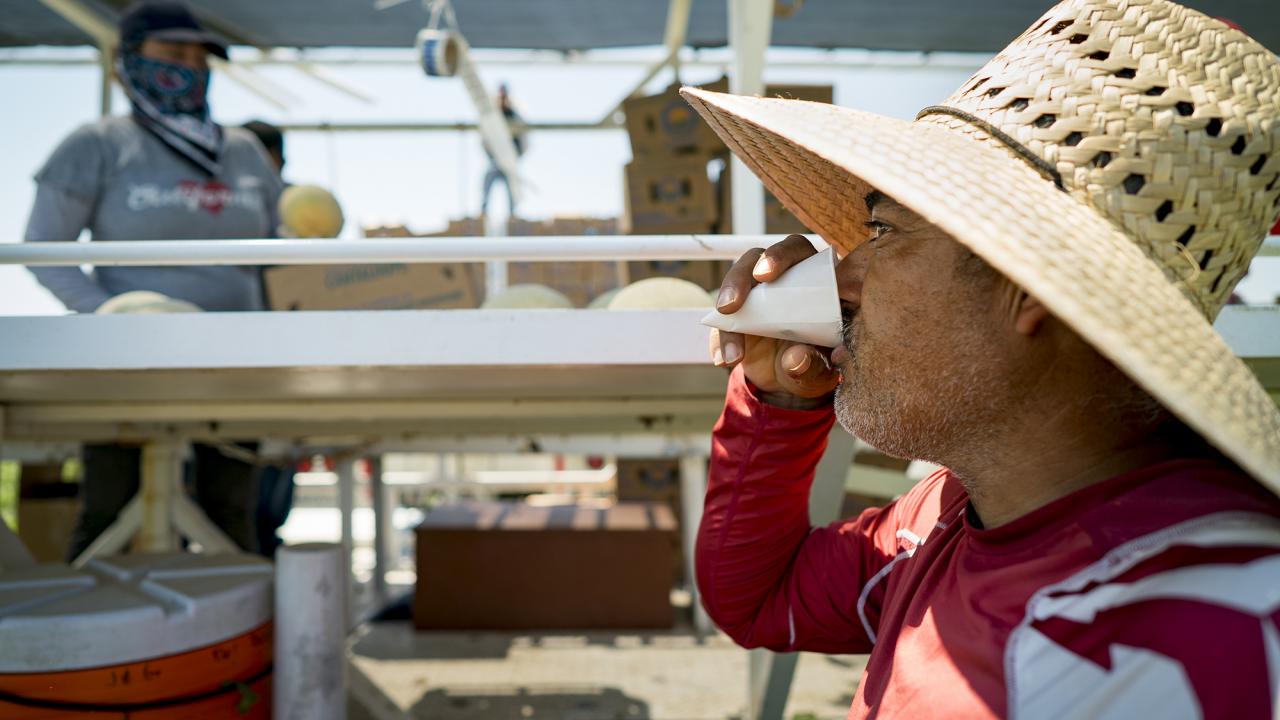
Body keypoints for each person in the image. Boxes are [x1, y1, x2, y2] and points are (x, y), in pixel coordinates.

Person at [687, 0, 1280, 717]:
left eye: (883, 231)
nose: (843, 277)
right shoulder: (958, 513)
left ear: (1025, 285)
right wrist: (777, 398)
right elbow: (761, 599)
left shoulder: (1200, 625)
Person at [23, 0, 283, 559]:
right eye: (172, 52)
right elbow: (43, 250)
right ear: (127, 60)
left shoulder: (243, 152)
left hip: (235, 363)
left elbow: (277, 253)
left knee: (233, 512)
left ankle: (240, 637)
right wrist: (108, 318)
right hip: (125, 368)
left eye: (199, 55)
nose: (189, 64)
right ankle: (91, 638)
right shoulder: (95, 144)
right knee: (111, 509)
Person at [480, 83, 526, 218]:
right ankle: (484, 210)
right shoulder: (493, 118)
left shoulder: (515, 117)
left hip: (510, 160)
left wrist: (515, 156)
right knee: (488, 179)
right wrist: (493, 156)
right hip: (495, 160)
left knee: (512, 185)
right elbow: (485, 140)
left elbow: (524, 140)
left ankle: (513, 213)